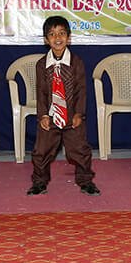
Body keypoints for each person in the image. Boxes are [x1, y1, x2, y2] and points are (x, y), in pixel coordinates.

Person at [28, 15, 100, 196]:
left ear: (69, 37)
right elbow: (41, 92)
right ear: (46, 40)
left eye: (61, 33)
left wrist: (79, 114)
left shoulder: (77, 62)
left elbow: (81, 90)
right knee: (41, 151)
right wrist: (43, 115)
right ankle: (39, 182)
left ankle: (85, 181)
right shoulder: (41, 64)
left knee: (80, 150)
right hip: (50, 115)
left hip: (72, 115)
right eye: (52, 34)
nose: (57, 38)